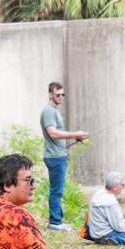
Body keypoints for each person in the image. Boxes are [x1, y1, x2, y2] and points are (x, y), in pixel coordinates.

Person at [40, 82, 88, 231]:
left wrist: (76, 138)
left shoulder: (54, 110)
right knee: (56, 190)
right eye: (58, 95)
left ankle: (57, 220)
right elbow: (53, 133)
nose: (61, 97)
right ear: (50, 95)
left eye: (63, 95)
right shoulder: (49, 111)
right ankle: (54, 223)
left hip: (58, 155)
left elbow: (56, 136)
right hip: (55, 157)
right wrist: (75, 134)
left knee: (58, 190)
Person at [83, 171, 125, 245]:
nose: (124, 186)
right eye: (122, 184)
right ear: (114, 187)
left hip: (96, 234)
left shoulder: (98, 194)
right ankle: (111, 239)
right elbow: (119, 227)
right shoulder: (111, 202)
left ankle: (104, 240)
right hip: (106, 233)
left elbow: (107, 219)